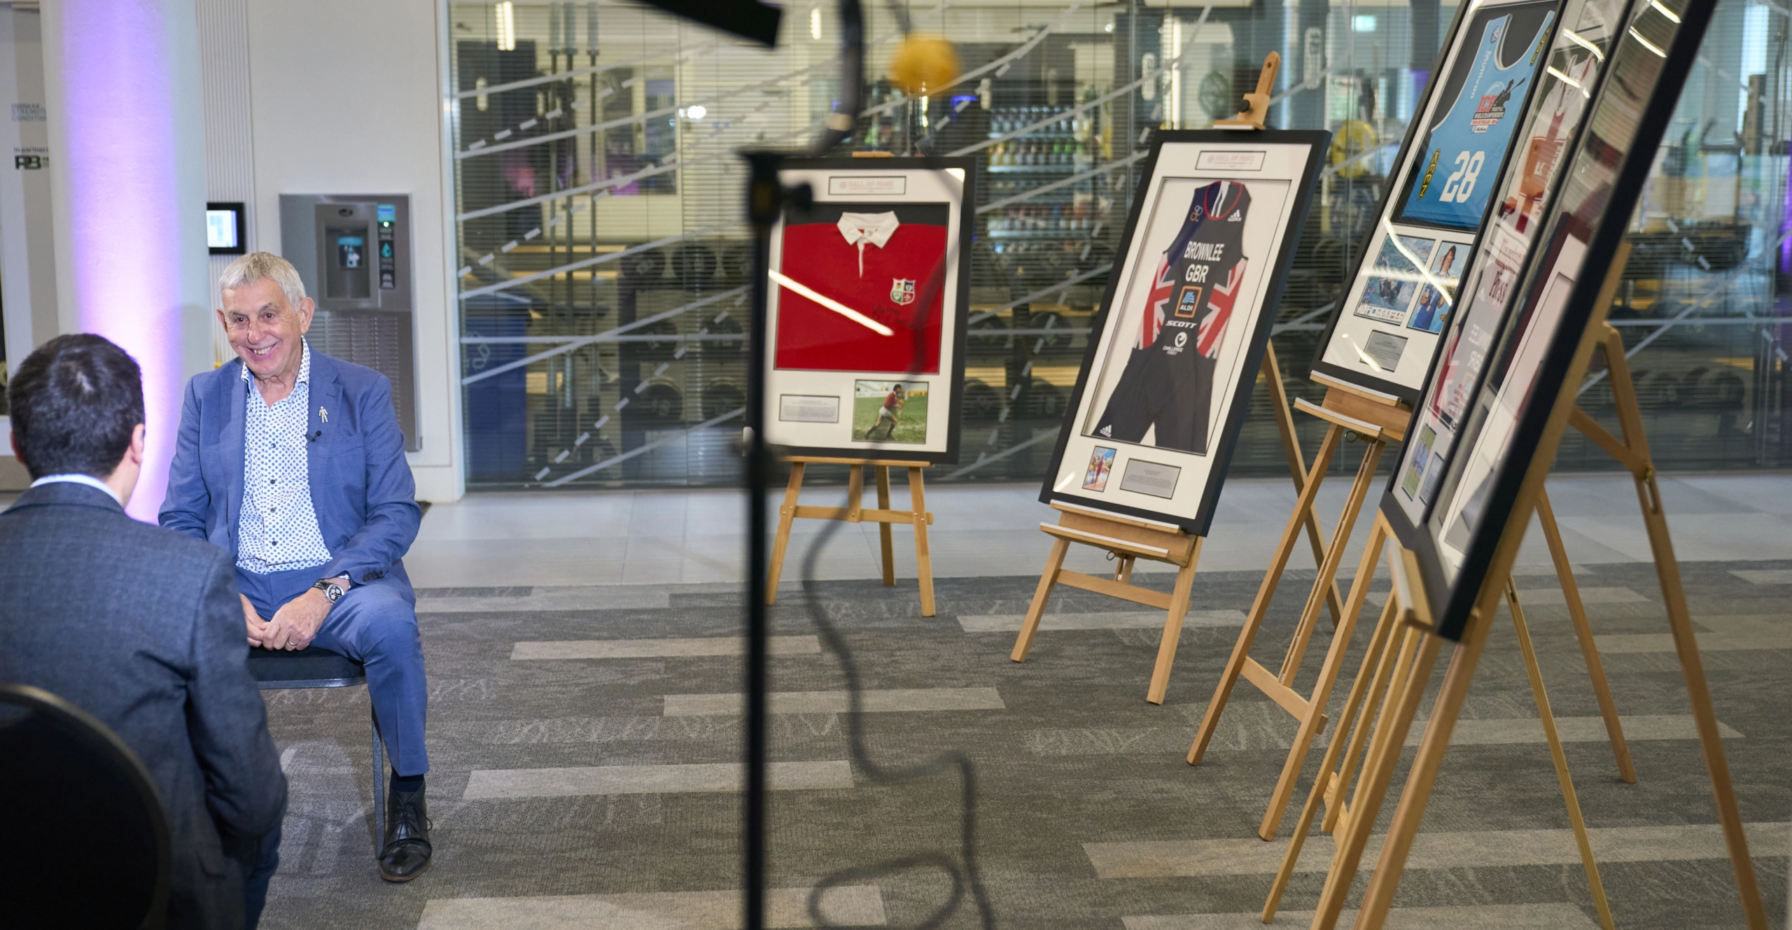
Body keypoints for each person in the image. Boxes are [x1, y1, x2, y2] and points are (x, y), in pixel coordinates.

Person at [160, 252, 433, 883]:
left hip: (338, 580)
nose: (252, 334)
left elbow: (395, 513)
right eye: (237, 320)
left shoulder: (361, 390)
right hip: (241, 582)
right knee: (158, 628)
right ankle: (186, 808)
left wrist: (325, 590)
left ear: (303, 313)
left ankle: (409, 798)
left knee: (391, 625)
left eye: (267, 315)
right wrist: (221, 593)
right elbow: (180, 518)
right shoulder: (206, 397)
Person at [0, 334, 287, 929]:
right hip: (151, 889)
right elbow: (251, 797)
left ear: (16, 445)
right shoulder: (189, 575)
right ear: (137, 442)